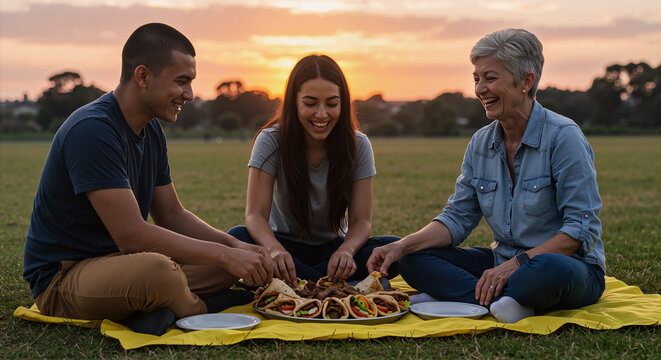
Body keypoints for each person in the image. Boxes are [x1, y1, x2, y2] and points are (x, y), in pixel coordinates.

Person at [22, 23, 274, 335]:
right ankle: (199, 309)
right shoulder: (92, 130)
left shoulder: (151, 130)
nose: (191, 95)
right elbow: (132, 235)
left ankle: (157, 308)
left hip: (124, 265)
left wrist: (234, 245)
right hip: (66, 277)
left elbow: (171, 214)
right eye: (182, 82)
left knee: (227, 259)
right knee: (159, 272)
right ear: (143, 76)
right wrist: (225, 254)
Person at [367, 28, 606, 323]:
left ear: (526, 81)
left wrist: (516, 264)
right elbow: (457, 218)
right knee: (412, 259)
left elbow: (578, 232)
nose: (480, 89)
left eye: (490, 78)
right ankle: (500, 302)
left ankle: (462, 295)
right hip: (499, 262)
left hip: (566, 267)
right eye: (476, 79)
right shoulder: (481, 142)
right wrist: (402, 245)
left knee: (545, 272)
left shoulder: (564, 137)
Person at [228, 54, 398, 286]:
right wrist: (275, 251)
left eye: (331, 103)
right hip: (283, 248)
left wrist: (347, 251)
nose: (321, 114)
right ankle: (334, 285)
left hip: (334, 251)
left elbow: (361, 221)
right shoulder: (271, 140)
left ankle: (299, 284)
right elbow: (255, 215)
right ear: (294, 102)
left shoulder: (359, 145)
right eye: (310, 103)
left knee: (392, 250)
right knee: (236, 238)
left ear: (343, 103)